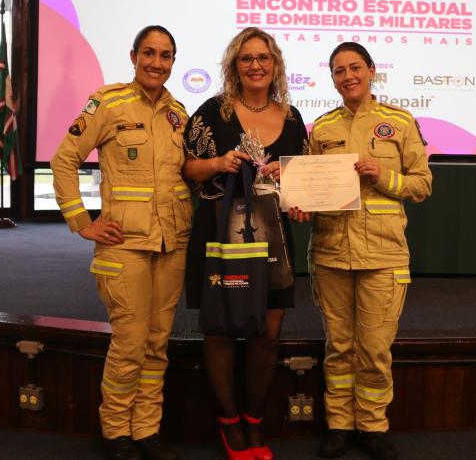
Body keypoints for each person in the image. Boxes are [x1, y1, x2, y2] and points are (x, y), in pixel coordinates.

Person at [51, 25, 189, 460]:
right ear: (133, 57)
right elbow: (64, 159)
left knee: (157, 343)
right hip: (124, 243)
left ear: (173, 62)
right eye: (149, 53)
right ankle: (115, 430)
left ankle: (146, 429)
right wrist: (81, 220)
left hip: (171, 244)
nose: (156, 63)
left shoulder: (178, 113)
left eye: (165, 55)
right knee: (129, 342)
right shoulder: (108, 103)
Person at [293, 42, 432, 460]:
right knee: (338, 346)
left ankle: (372, 426)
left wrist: (384, 175)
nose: (348, 76)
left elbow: (422, 184)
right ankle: (339, 425)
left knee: (374, 349)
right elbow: (309, 185)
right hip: (331, 252)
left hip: (384, 255)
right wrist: (300, 202)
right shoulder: (322, 128)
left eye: (355, 67)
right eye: (339, 71)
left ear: (372, 70)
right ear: (332, 78)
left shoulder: (399, 121)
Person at [183, 27, 308, 460]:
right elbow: (187, 168)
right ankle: (229, 422)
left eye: (263, 58)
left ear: (276, 64)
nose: (256, 65)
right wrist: (219, 163)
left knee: (268, 334)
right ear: (234, 65)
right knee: (220, 328)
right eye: (246, 58)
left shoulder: (292, 118)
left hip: (273, 237)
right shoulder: (211, 112)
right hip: (220, 233)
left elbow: (301, 179)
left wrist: (291, 185)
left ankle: (254, 419)